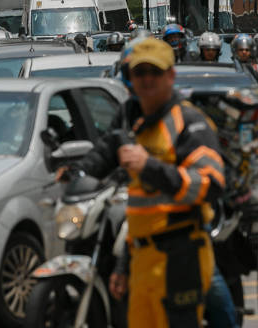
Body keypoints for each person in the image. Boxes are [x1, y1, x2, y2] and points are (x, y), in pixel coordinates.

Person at [66, 37, 225, 328]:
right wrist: (123, 267)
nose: (147, 79)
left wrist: (149, 166)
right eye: (140, 73)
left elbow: (211, 185)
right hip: (142, 259)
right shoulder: (135, 123)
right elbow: (141, 210)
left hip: (180, 256)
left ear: (171, 76)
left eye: (155, 71)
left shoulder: (189, 122)